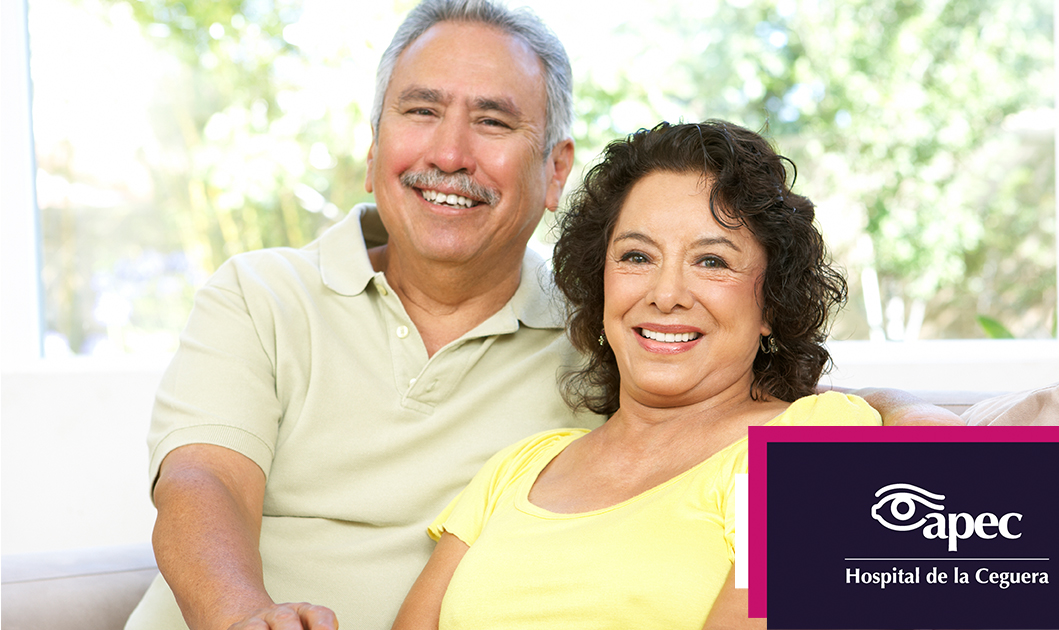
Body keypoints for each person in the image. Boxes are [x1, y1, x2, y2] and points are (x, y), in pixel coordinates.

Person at [127, 2, 960, 630]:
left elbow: (1055, 538)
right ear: (374, 144)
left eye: (493, 120)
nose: (450, 152)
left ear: (553, 169)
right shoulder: (263, 295)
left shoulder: (656, 367)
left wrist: (914, 419)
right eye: (420, 111)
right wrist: (242, 618)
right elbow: (203, 482)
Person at [391, 120, 883, 630]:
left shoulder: (811, 436)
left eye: (712, 261)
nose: (666, 293)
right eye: (636, 256)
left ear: (769, 305)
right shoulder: (518, 468)